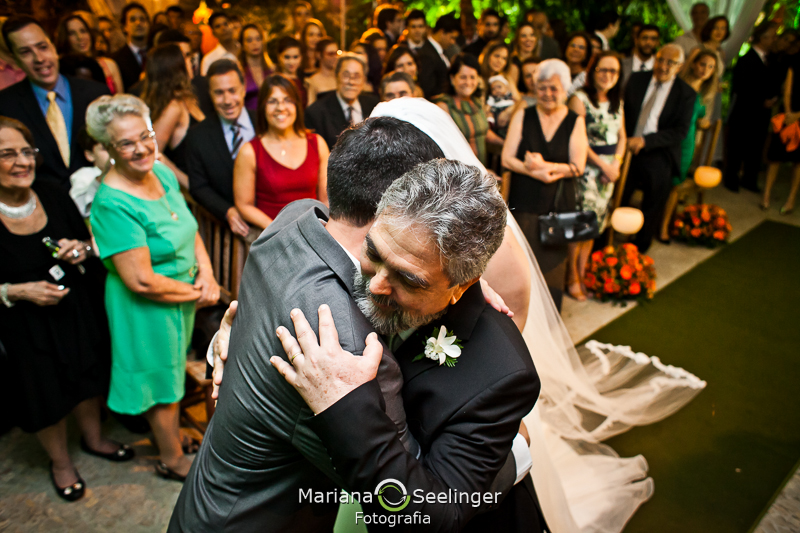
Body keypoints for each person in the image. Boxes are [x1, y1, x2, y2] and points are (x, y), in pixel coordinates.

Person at [168, 107, 543, 532]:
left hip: (205, 502)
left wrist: (460, 287)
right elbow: (413, 509)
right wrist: (515, 456)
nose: (382, 285)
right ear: (391, 206)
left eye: (407, 276)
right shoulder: (349, 349)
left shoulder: (295, 219)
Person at [0, 116, 133, 502]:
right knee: (44, 392)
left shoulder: (55, 194)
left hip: (74, 310)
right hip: (24, 323)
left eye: (27, 152)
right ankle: (60, 462)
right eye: (8, 154)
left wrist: (81, 249)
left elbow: (91, 244)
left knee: (87, 375)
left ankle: (93, 439)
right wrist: (17, 291)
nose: (22, 161)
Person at [87, 94, 219, 481]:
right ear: (109, 149)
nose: (141, 148)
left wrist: (207, 274)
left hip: (179, 295)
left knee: (174, 371)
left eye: (145, 135)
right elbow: (141, 280)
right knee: (160, 380)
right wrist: (199, 293)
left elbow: (189, 228)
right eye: (126, 143)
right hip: (145, 305)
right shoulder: (112, 202)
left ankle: (173, 438)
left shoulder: (160, 173)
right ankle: (172, 458)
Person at [503, 59, 587, 309]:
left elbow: (578, 166)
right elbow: (508, 158)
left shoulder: (575, 120)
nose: (548, 94)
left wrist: (545, 168)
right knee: (521, 263)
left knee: (553, 265)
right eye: (542, 87)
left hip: (558, 203)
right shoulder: (524, 115)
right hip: (524, 199)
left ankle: (549, 319)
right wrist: (531, 170)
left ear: (565, 90)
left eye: (554, 88)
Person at [0, 16, 108, 191]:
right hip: (46, 206)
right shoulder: (6, 106)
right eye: (26, 52)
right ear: (15, 59)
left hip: (100, 199)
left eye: (42, 47)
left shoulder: (95, 93)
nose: (39, 58)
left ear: (53, 46)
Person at [622, 44, 696, 252]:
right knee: (619, 194)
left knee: (655, 198)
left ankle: (640, 247)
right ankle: (606, 239)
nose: (663, 66)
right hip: (627, 147)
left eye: (670, 63)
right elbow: (623, 109)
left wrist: (646, 141)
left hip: (658, 151)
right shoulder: (637, 79)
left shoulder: (686, 93)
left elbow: (680, 131)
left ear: (679, 67)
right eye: (660, 60)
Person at [566, 52, 626, 300]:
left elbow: (623, 136)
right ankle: (571, 277)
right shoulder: (579, 99)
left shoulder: (617, 101)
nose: (608, 76)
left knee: (595, 226)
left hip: (609, 171)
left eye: (613, 71)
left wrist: (617, 165)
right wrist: (604, 166)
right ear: (593, 71)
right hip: (587, 170)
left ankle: (583, 271)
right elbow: (577, 140)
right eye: (603, 70)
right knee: (580, 225)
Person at [234, 74, 328, 229]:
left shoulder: (317, 143)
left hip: (313, 233)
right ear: (263, 106)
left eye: (287, 100)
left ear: (297, 104)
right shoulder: (250, 151)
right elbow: (244, 205)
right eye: (272, 101)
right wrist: (276, 230)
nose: (281, 107)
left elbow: (326, 200)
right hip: (272, 237)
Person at [186, 60, 255, 237]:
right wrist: (227, 211)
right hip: (228, 232)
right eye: (219, 93)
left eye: (232, 90)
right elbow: (198, 186)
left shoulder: (264, 123)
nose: (227, 101)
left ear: (243, 87)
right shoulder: (197, 136)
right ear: (210, 93)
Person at [659, 48, 718, 241]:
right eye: (702, 64)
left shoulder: (705, 94)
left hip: (687, 142)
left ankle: (664, 227)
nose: (705, 70)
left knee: (675, 185)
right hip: (667, 137)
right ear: (693, 64)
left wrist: (704, 122)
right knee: (659, 180)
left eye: (710, 67)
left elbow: (702, 118)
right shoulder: (675, 84)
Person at [725, 22, 778, 195]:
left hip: (762, 113)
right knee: (738, 145)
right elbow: (741, 87)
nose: (774, 40)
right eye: (771, 37)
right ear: (762, 38)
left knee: (756, 146)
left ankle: (750, 178)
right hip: (745, 111)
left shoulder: (771, 59)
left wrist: (772, 98)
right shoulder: (746, 59)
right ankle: (731, 178)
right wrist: (761, 100)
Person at [141, 43, 205, 187]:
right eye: (185, 58)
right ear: (175, 67)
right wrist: (189, 184)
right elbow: (153, 153)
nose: (191, 61)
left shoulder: (188, 99)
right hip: (189, 193)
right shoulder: (173, 107)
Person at [434, 53, 504, 166]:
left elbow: (484, 132)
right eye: (463, 77)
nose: (468, 82)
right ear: (452, 79)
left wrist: (506, 144)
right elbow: (444, 147)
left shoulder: (476, 103)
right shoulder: (444, 106)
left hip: (481, 172)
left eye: (472, 77)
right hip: (460, 175)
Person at [305, 53, 380, 149]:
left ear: (364, 80)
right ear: (336, 76)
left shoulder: (374, 106)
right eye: (346, 75)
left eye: (356, 76)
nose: (351, 82)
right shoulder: (316, 113)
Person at [762, 28, 800, 213]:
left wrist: (798, 115)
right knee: (775, 157)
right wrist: (788, 112)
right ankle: (766, 196)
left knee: (798, 162)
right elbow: (787, 89)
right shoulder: (794, 63)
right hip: (787, 115)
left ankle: (791, 199)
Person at [54, 13, 124, 95]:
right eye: (72, 33)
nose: (80, 37)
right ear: (64, 37)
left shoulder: (109, 64)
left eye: (83, 31)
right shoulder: (61, 72)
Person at [69, 127, 111, 219]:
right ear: (90, 155)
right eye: (105, 148)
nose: (112, 152)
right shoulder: (85, 175)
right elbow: (78, 208)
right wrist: (101, 178)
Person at [111, 3, 150, 92]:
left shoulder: (158, 54)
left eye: (142, 19)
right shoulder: (116, 60)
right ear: (124, 27)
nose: (138, 23)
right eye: (132, 20)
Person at [238, 23, 274, 112]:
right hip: (249, 119)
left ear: (263, 41)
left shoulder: (272, 69)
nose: (255, 43)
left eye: (258, 39)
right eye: (249, 40)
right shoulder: (239, 70)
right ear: (242, 44)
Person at [275, 36, 307, 108]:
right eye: (287, 57)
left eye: (295, 57)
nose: (291, 62)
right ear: (279, 57)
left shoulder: (305, 81)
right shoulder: (275, 81)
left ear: (301, 57)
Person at [305, 38, 338, 105]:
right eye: (330, 54)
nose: (335, 57)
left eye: (336, 53)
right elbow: (311, 108)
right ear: (319, 55)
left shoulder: (340, 78)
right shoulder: (312, 81)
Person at [509, 22, 539, 95]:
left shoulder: (539, 61)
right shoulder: (513, 64)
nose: (528, 39)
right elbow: (511, 93)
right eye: (523, 36)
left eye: (532, 35)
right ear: (517, 40)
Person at [563, 32, 592, 97]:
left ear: (587, 53)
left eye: (581, 47)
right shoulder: (556, 71)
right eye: (572, 45)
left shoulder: (588, 78)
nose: (576, 49)